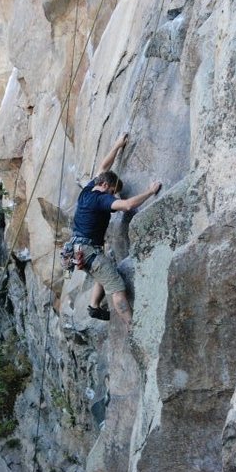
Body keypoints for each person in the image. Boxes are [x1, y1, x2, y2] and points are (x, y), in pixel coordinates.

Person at [72, 134, 161, 329]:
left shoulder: (88, 190)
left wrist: (117, 146)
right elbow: (128, 205)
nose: (113, 196)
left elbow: (103, 166)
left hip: (79, 249)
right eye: (112, 191)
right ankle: (133, 327)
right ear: (105, 186)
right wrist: (150, 191)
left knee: (105, 270)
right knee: (117, 286)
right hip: (88, 252)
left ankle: (94, 305)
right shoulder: (102, 199)